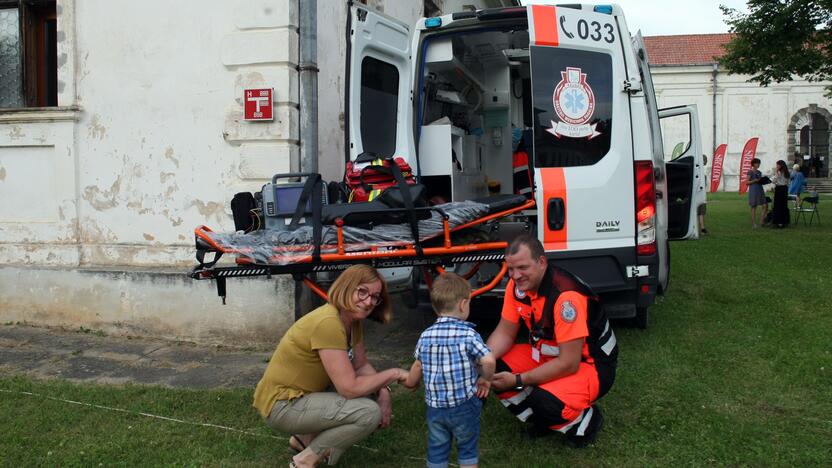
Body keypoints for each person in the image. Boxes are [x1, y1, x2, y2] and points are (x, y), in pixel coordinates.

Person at [252, 265, 409, 468]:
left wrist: (384, 393)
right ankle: (305, 461)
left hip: (302, 396)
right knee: (368, 412)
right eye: (362, 292)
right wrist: (394, 374)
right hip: (282, 405)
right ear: (346, 287)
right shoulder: (328, 322)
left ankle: (303, 440)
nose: (369, 301)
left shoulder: (351, 320)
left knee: (370, 391)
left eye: (375, 296)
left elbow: (360, 366)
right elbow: (349, 388)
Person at [486, 234, 618, 447]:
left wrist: (518, 380)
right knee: (493, 366)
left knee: (544, 400)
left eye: (522, 267)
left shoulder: (566, 297)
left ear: (541, 263)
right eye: (510, 269)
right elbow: (505, 331)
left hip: (590, 365)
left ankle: (587, 422)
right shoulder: (517, 286)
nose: (515, 275)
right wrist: (483, 361)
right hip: (550, 354)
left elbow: (569, 363)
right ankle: (543, 421)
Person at [403, 273, 496, 468]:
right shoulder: (469, 333)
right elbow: (488, 360)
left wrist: (411, 382)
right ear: (463, 305)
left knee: (437, 448)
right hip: (464, 405)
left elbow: (418, 364)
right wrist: (486, 380)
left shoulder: (425, 336)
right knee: (467, 447)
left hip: (435, 408)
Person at [746, 158, 767, 228]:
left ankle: (762, 222)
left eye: (759, 163)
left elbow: (760, 181)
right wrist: (754, 180)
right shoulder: (750, 172)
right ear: (753, 164)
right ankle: (753, 223)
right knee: (754, 206)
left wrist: (764, 181)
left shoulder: (759, 172)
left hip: (760, 189)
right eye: (757, 163)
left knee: (765, 205)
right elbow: (747, 182)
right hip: (753, 190)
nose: (758, 164)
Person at [771, 159, 791, 228]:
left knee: (782, 205)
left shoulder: (784, 173)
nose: (776, 166)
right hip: (782, 189)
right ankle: (779, 221)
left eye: (777, 165)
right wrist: (776, 173)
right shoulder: (783, 172)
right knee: (778, 205)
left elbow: (774, 181)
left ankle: (782, 221)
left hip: (781, 189)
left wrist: (776, 173)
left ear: (780, 165)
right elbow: (773, 181)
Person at [697, 154, 709, 235]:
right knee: (700, 212)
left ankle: (702, 228)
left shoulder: (701, 172)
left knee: (701, 212)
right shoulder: (699, 172)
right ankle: (701, 229)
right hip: (699, 194)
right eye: (705, 160)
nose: (706, 161)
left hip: (701, 194)